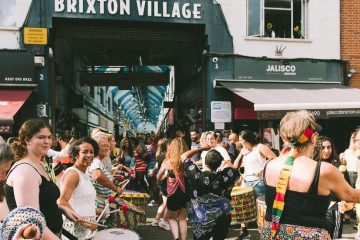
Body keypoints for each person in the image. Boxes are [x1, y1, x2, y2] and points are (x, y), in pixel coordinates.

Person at [262, 110, 360, 239]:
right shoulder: (324, 170)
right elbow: (353, 196)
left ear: (283, 138)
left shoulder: (268, 166)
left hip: (272, 235)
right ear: (314, 138)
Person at [5, 119, 79, 239]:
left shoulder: (38, 164)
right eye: (41, 137)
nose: (47, 142)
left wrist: (61, 208)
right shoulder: (25, 171)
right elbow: (32, 225)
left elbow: (42, 201)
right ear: (27, 140)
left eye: (49, 137)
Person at [180, 146, 241, 240]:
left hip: (201, 219)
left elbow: (183, 156)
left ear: (204, 161)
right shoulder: (225, 176)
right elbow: (234, 168)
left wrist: (201, 148)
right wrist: (240, 154)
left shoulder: (196, 175)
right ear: (219, 163)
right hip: (222, 218)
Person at [58, 137, 98, 239]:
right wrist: (83, 221)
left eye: (92, 152)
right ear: (76, 155)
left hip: (88, 230)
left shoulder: (85, 173)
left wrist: (97, 210)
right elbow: (62, 202)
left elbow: (79, 201)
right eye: (84, 152)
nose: (89, 155)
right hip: (75, 231)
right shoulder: (73, 174)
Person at [313, 136, 349, 239]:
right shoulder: (312, 166)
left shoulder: (339, 167)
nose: (326, 150)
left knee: (335, 237)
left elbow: (348, 188)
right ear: (316, 149)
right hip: (316, 209)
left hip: (335, 209)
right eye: (323, 147)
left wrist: (346, 205)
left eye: (329, 147)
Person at [157, 137, 188, 240]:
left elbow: (158, 176)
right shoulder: (187, 161)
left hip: (173, 193)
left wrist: (166, 176)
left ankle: (176, 237)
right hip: (185, 192)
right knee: (183, 218)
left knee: (171, 217)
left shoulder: (169, 162)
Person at [88, 132, 123, 210]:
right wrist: (115, 188)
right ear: (96, 147)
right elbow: (98, 176)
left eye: (107, 146)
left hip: (102, 203)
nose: (107, 148)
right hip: (96, 205)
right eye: (103, 146)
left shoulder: (99, 161)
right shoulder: (95, 161)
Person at [238, 130, 276, 197]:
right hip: (246, 182)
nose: (239, 142)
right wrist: (241, 154)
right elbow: (237, 165)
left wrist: (264, 169)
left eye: (241, 140)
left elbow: (275, 159)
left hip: (259, 182)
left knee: (261, 206)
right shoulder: (244, 150)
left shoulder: (260, 147)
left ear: (247, 140)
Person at [150, 138, 170, 231]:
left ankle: (157, 220)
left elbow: (157, 166)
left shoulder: (159, 155)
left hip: (160, 180)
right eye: (169, 144)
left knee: (164, 202)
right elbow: (165, 170)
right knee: (167, 203)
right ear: (166, 145)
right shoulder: (166, 156)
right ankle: (163, 222)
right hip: (164, 180)